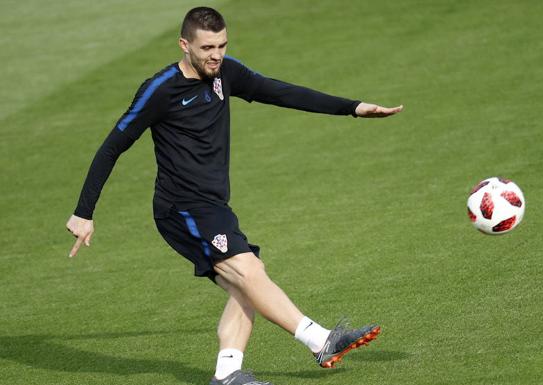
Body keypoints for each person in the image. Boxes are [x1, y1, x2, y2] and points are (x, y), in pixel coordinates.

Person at [66, 7, 403, 385]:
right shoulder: (160, 90)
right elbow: (113, 145)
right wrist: (83, 212)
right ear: (184, 45)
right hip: (182, 209)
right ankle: (320, 339)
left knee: (247, 288)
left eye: (222, 45)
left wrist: (352, 109)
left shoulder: (226, 73)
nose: (216, 54)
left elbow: (280, 91)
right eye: (207, 47)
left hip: (213, 205)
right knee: (250, 272)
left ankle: (226, 374)